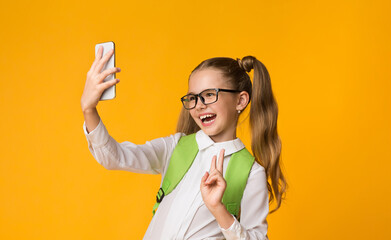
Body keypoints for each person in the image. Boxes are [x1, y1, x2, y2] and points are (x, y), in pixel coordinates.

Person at [81, 46, 287, 239]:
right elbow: (115, 157)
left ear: (240, 101)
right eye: (193, 98)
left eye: (209, 95)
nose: (199, 105)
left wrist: (218, 209)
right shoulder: (175, 146)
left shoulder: (251, 173)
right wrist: (89, 110)